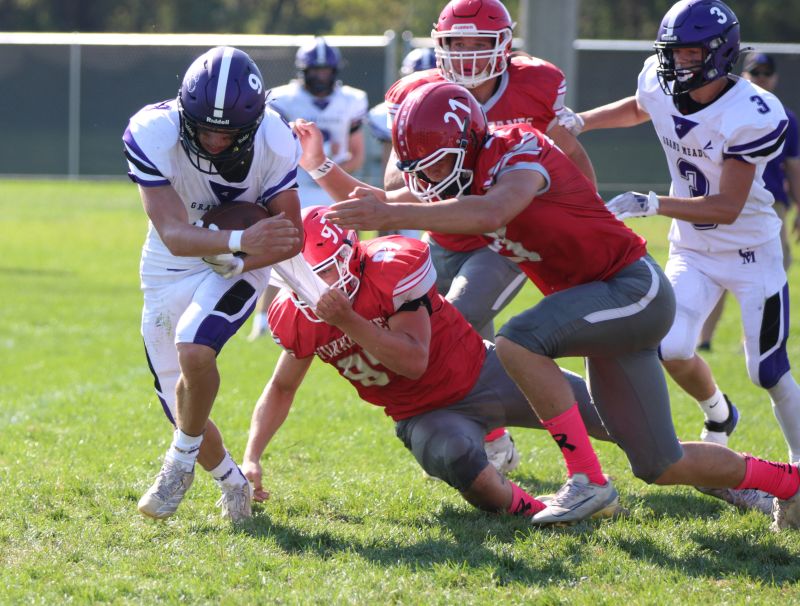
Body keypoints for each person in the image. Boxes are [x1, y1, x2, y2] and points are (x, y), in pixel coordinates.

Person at [303, 81, 800, 529]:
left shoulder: (517, 148)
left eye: (431, 164)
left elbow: (494, 209)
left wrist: (391, 210)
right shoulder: (458, 174)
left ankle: (586, 478)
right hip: (597, 307)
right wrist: (321, 168)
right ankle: (788, 482)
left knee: (517, 339)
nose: (425, 179)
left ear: (465, 140)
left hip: (630, 288)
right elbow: (377, 198)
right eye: (417, 168)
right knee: (658, 463)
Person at [242, 205, 617, 519]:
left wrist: (347, 320)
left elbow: (414, 360)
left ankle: (654, 463)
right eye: (306, 277)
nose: (318, 286)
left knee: (618, 421)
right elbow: (281, 387)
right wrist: (252, 457)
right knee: (461, 463)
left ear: (350, 253)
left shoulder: (390, 268)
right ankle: (543, 513)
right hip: (423, 415)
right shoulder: (294, 317)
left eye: (324, 270)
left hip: (484, 372)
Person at [559, 0, 800, 471]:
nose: (677, 63)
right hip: (692, 247)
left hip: (751, 252)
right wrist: (583, 121)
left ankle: (799, 467)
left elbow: (727, 207)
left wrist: (652, 204)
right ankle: (719, 412)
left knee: (768, 371)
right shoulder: (659, 79)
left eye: (690, 54)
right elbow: (641, 107)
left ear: (719, 52)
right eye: (673, 52)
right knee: (670, 347)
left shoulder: (752, 111)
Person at [382, 0, 599, 474]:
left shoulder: (535, 87)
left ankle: (594, 428)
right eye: (455, 42)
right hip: (441, 238)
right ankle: (496, 436)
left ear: (502, 45)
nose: (465, 53)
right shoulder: (418, 92)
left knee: (454, 322)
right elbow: (394, 181)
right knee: (458, 342)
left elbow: (571, 151)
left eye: (477, 42)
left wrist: (593, 213)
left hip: (503, 240)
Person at [123, 46, 303, 521]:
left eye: (227, 132)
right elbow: (174, 234)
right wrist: (241, 237)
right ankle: (232, 482)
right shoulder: (153, 131)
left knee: (194, 349)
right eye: (203, 127)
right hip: (172, 260)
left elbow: (291, 237)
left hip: (245, 260)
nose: (213, 140)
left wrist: (244, 258)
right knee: (175, 396)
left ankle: (177, 464)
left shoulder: (276, 140)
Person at [248, 37, 369, 342]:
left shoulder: (351, 100)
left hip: (330, 191)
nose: (321, 77)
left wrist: (328, 171)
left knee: (348, 256)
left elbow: (356, 155)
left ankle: (355, 317)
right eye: (315, 71)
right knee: (284, 254)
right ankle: (263, 320)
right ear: (303, 71)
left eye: (326, 71)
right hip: (292, 189)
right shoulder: (283, 100)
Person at [697, 52, 800, 351]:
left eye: (767, 73)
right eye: (756, 72)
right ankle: (704, 340)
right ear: (744, 75)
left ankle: (755, 340)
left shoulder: (785, 118)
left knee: (767, 270)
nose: (762, 78)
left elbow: (793, 167)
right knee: (719, 271)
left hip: (768, 205)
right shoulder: (725, 110)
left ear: (776, 78)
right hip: (726, 200)